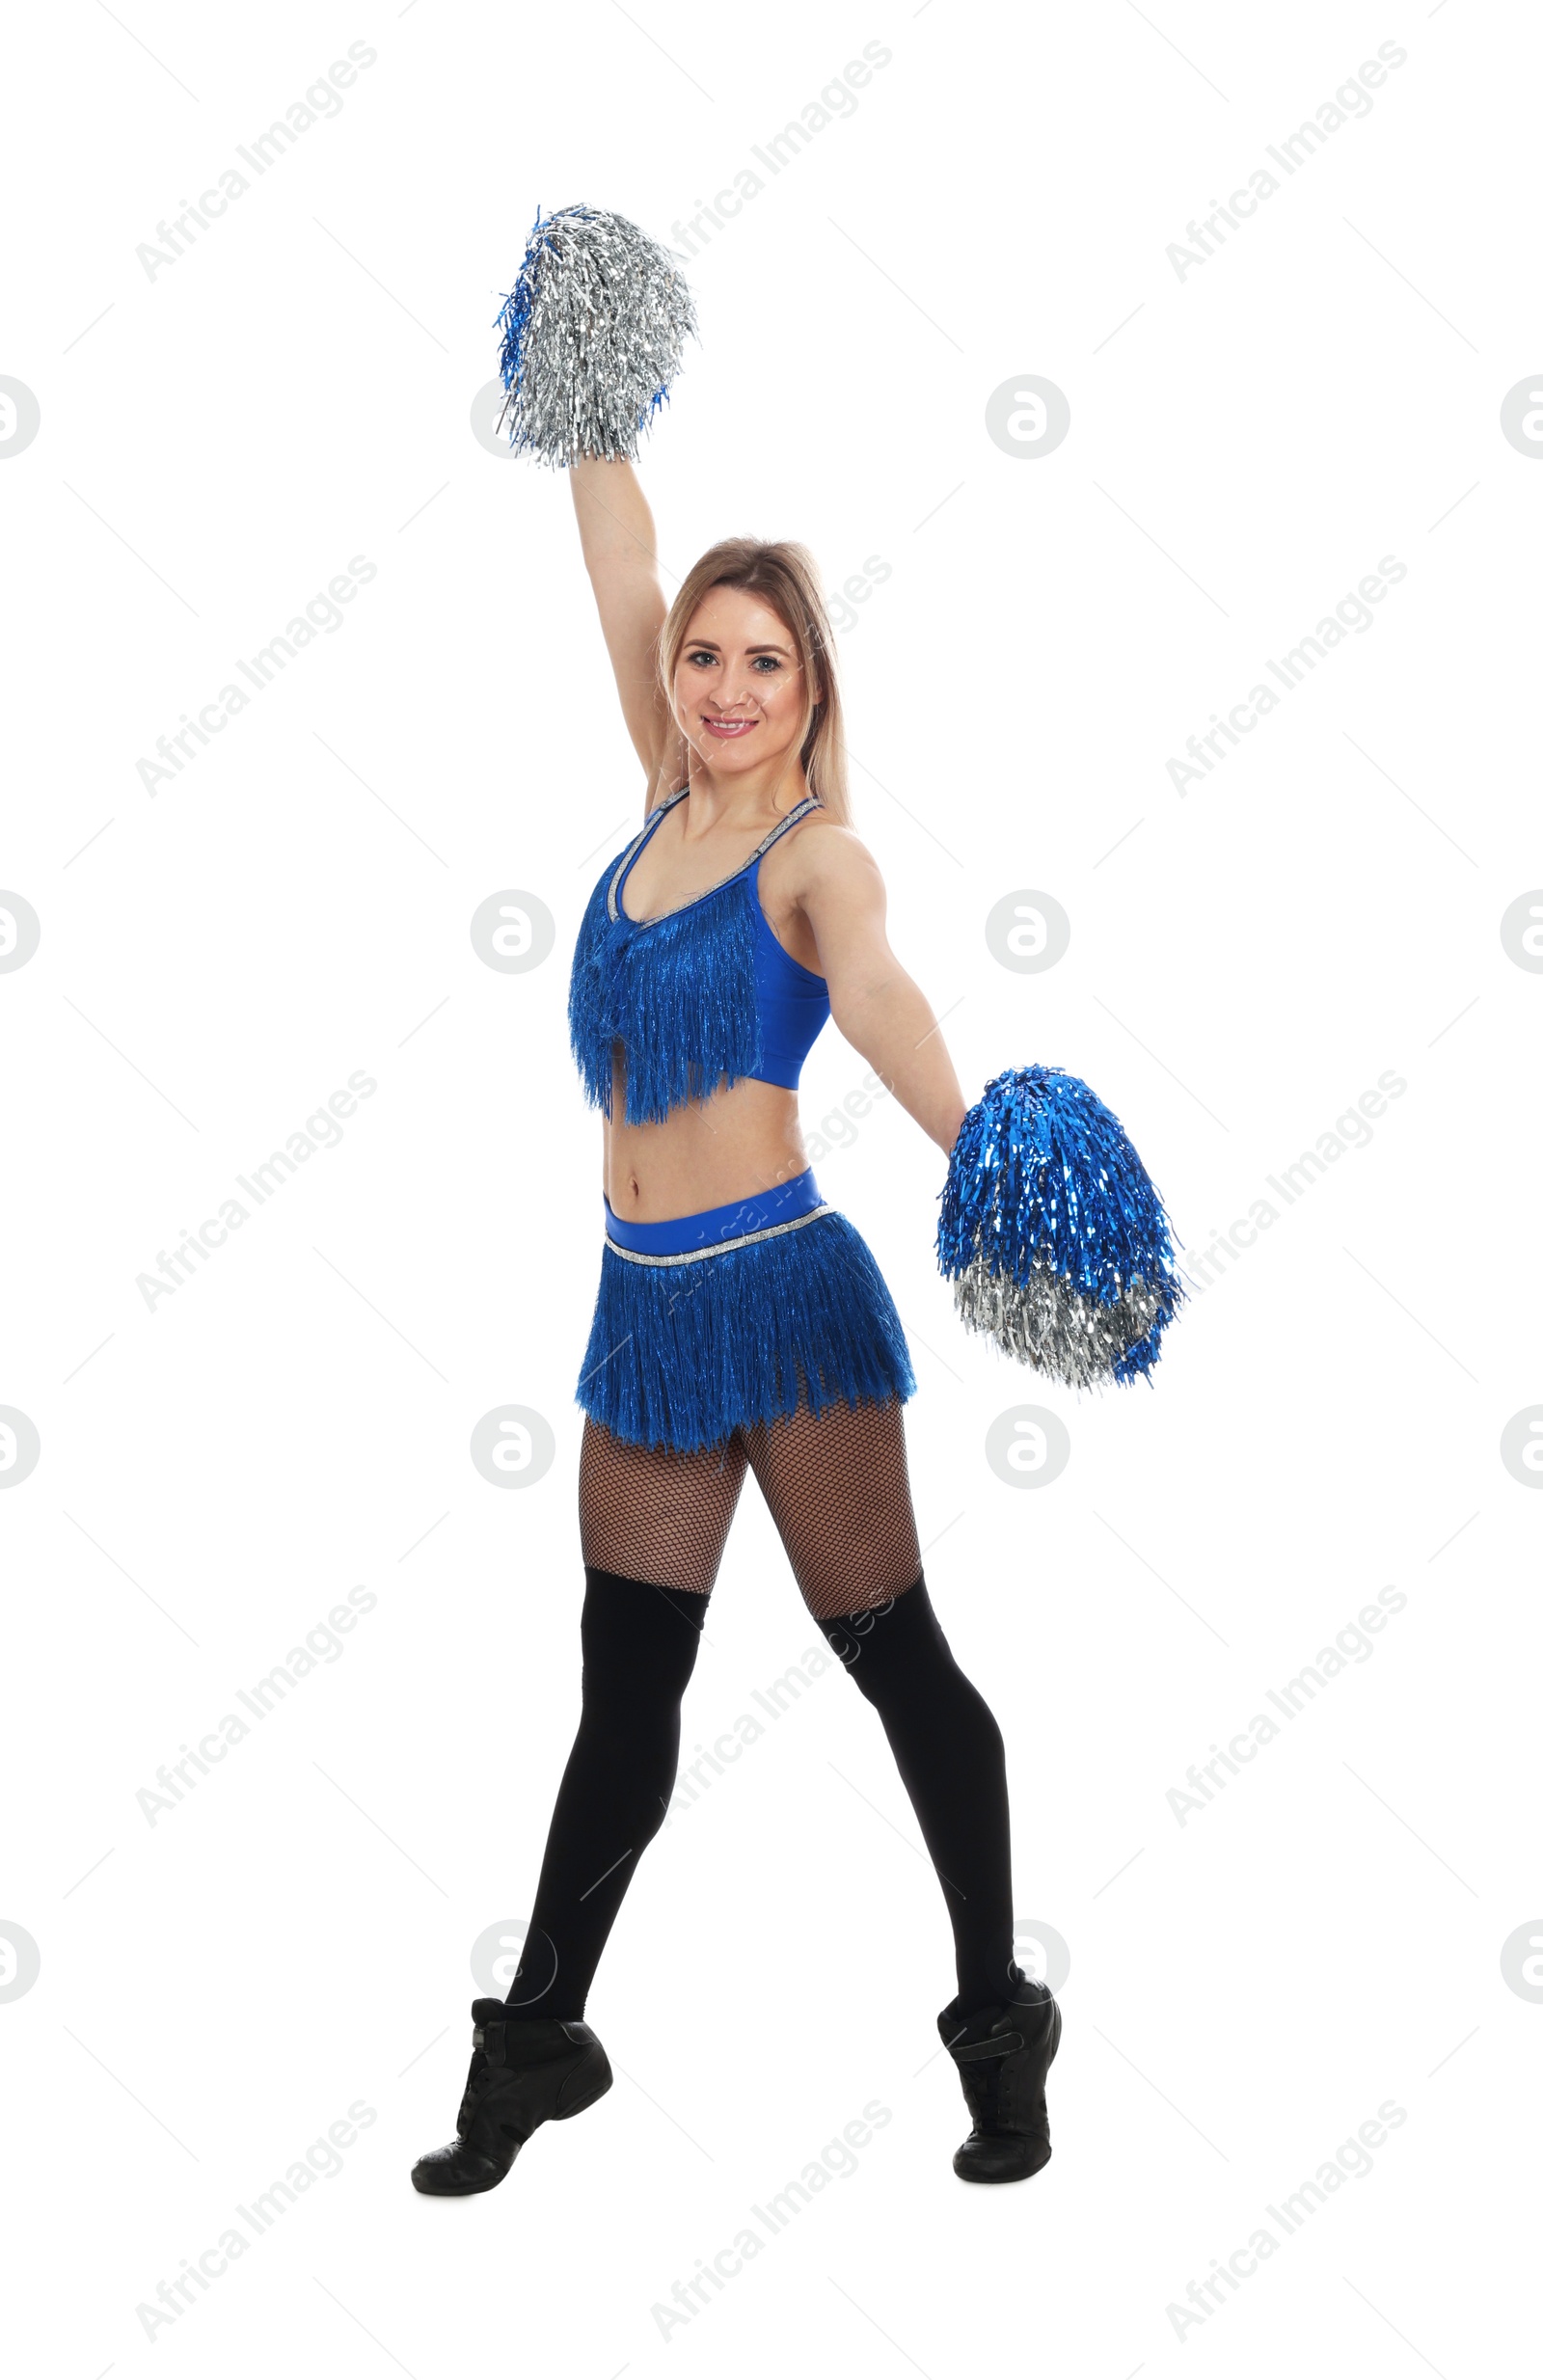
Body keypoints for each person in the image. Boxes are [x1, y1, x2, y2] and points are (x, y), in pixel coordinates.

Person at [411, 457, 1062, 2197]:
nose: (720, 687)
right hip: (641, 1318)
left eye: (762, 662)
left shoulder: (815, 855)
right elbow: (616, 551)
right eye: (703, 657)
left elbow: (880, 997)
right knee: (623, 1707)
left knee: (896, 1663)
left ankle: (1001, 2021)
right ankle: (538, 2039)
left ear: (813, 689)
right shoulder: (657, 795)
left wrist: (985, 1149)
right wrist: (595, 413)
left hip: (780, 1300)